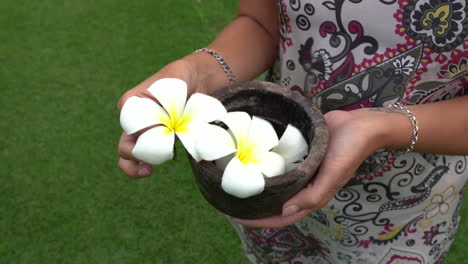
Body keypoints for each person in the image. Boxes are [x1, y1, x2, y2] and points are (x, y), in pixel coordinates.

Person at [117, 0, 468, 263]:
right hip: (275, 168)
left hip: (400, 201)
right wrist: (199, 70)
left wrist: (384, 129)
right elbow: (260, 23)